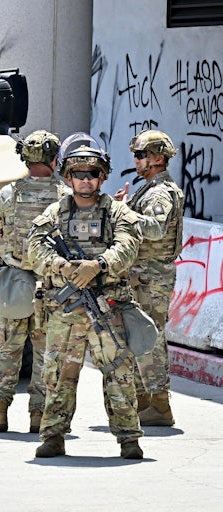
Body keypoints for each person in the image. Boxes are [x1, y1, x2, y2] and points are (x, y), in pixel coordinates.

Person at [27, 143, 145, 459]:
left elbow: (128, 245)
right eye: (78, 174)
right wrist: (61, 266)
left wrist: (99, 265)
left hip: (107, 306)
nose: (85, 180)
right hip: (65, 311)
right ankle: (53, 436)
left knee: (119, 373)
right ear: (68, 177)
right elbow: (35, 247)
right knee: (58, 374)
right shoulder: (55, 213)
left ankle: (129, 439)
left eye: (92, 173)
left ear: (102, 177)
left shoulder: (118, 212)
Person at [0, 130, 70, 433]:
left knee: (8, 347)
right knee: (46, 351)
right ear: (54, 159)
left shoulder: (7, 194)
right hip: (53, 284)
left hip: (14, 280)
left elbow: (3, 230)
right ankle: (38, 415)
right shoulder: (66, 197)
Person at [115, 129, 184, 427]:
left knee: (150, 337)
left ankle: (159, 404)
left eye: (141, 155)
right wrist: (126, 206)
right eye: (136, 154)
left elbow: (155, 228)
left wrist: (124, 213)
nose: (136, 160)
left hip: (152, 277)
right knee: (139, 336)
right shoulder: (149, 189)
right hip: (142, 275)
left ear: (158, 158)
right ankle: (144, 399)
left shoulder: (159, 193)